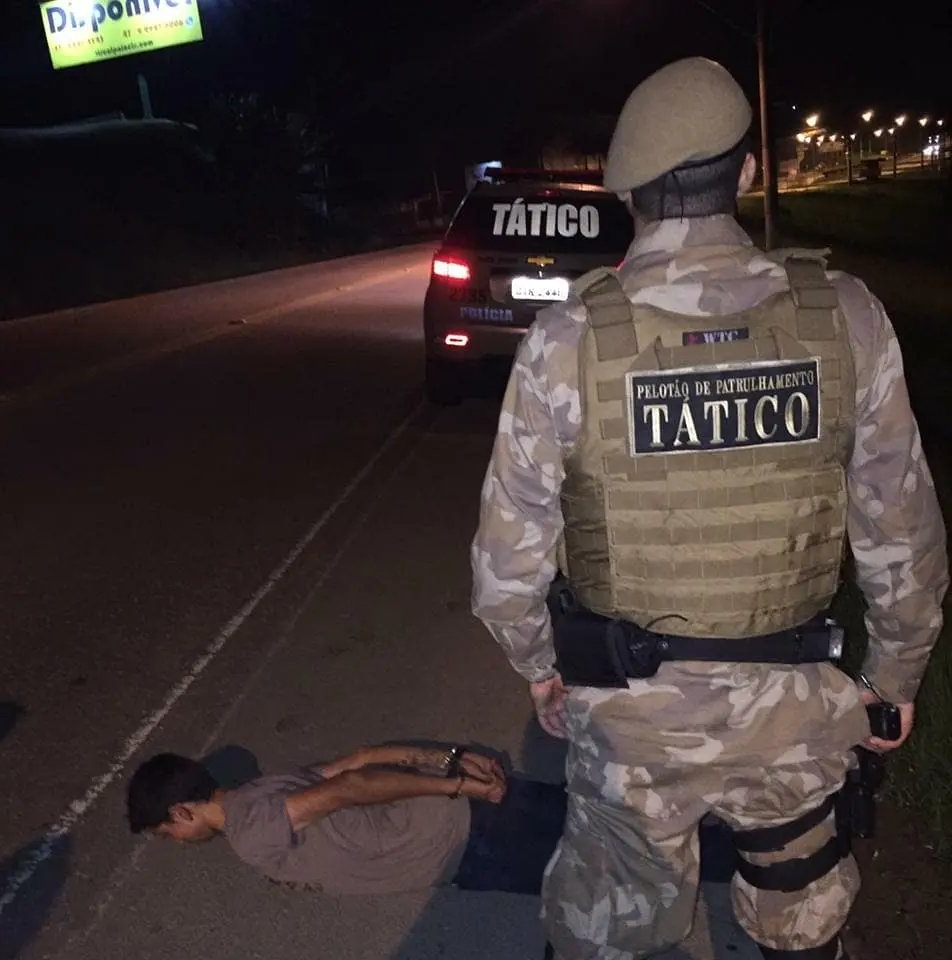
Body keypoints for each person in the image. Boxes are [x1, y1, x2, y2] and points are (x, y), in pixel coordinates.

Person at [471, 56, 948, 960]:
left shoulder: (569, 340)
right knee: (800, 917)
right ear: (751, 171)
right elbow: (904, 535)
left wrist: (543, 670)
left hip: (629, 723)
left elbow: (505, 573)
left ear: (627, 191)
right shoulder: (844, 317)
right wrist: (892, 683)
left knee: (612, 931)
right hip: (795, 715)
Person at [126, 742, 565, 897]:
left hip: (464, 843)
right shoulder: (256, 790)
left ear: (181, 811)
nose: (178, 841)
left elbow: (351, 785)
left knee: (591, 890)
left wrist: (457, 785)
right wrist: (450, 758)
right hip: (468, 818)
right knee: (596, 819)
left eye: (169, 833)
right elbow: (361, 759)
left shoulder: (248, 832)